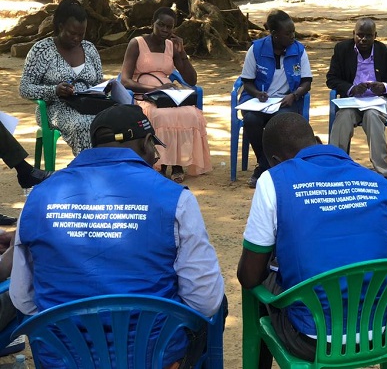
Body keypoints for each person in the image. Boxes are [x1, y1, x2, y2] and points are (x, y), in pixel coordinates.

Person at [10, 104, 225, 368]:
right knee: (217, 304)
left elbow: (23, 298)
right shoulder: (176, 199)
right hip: (152, 358)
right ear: (147, 142)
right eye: (154, 147)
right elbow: (205, 301)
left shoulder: (38, 198)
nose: (157, 156)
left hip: (65, 359)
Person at [237, 113, 387, 365]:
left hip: (311, 339)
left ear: (274, 161)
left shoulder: (274, 180)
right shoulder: (379, 183)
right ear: (317, 141)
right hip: (378, 335)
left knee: (261, 284)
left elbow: (249, 276)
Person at [120, 7, 211, 183]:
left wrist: (182, 53)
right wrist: (153, 90)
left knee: (190, 114)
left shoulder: (171, 46)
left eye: (169, 27)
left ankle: (177, 164)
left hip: (169, 94)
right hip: (144, 94)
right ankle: (160, 164)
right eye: (161, 25)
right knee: (158, 116)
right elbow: (125, 81)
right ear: (152, 24)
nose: (165, 30)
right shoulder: (137, 43)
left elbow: (191, 80)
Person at [326, 17, 387, 179]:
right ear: (353, 34)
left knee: (372, 115)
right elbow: (331, 79)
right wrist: (351, 88)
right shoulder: (342, 49)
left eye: (368, 36)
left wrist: (384, 87)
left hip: (379, 102)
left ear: (375, 35)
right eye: (359, 35)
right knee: (343, 116)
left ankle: (382, 172)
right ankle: (335, 167)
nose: (363, 39)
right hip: (352, 101)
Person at [238, 9, 313, 188]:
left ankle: (271, 167)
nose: (293, 36)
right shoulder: (256, 49)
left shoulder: (299, 50)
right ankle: (264, 164)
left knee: (282, 122)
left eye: (293, 31)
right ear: (274, 34)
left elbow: (306, 82)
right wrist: (257, 93)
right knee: (251, 120)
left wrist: (294, 95)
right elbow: (247, 81)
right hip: (260, 102)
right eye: (288, 33)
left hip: (287, 102)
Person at [19, 0, 103, 155]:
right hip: (56, 108)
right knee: (83, 125)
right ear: (60, 27)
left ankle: (108, 169)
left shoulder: (90, 49)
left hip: (89, 105)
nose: (77, 38)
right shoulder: (42, 50)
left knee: (116, 121)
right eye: (72, 33)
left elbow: (98, 82)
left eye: (81, 34)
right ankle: (87, 172)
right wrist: (54, 90)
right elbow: (25, 88)